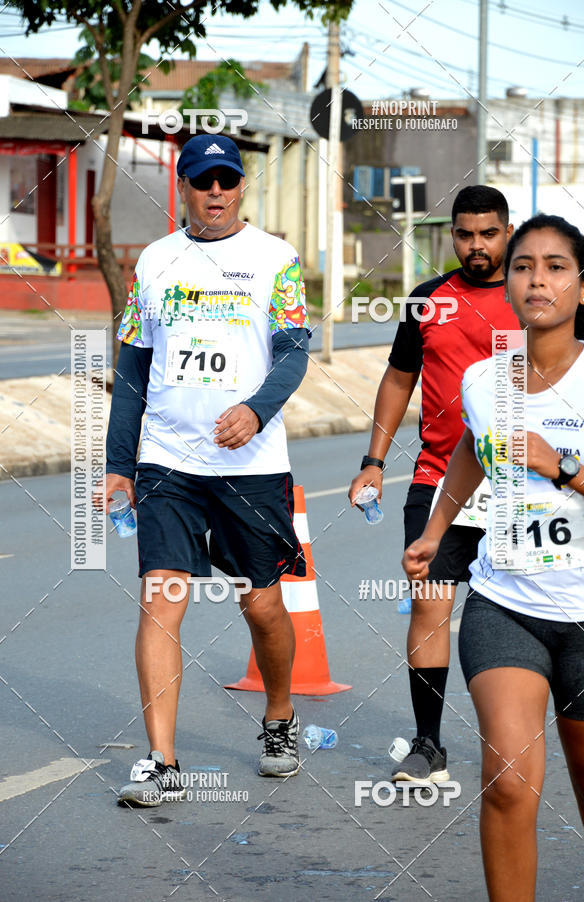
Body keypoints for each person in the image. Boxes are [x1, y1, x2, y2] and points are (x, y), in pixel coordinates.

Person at [102, 134, 311, 806]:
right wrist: (118, 464)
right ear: (183, 189)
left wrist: (256, 409)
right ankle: (161, 760)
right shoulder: (155, 262)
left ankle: (278, 718)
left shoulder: (276, 260)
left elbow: (293, 354)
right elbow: (133, 369)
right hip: (170, 460)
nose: (213, 193)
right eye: (200, 182)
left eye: (225, 181)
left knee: (263, 604)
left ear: (241, 187)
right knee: (161, 598)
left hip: (250, 465)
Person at [403, 214, 584, 899]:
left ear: (583, 286)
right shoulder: (486, 380)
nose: (536, 278)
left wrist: (565, 466)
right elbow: (472, 448)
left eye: (554, 266)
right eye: (523, 266)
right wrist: (436, 527)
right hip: (505, 603)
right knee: (510, 785)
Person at [349, 185, 518, 784]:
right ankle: (428, 744)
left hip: (525, 487)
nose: (476, 246)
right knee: (429, 604)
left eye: (488, 234)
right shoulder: (428, 301)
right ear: (452, 235)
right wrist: (373, 458)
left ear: (506, 231)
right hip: (437, 478)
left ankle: (525, 733)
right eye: (465, 234)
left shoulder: (536, 297)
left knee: (526, 616)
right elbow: (398, 380)